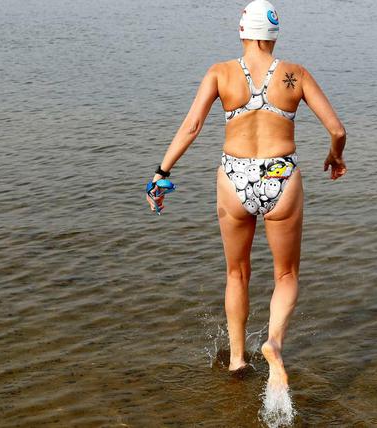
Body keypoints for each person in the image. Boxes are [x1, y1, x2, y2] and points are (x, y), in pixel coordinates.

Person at [145, 0, 347, 391]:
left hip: (233, 178)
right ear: (275, 34)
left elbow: (191, 126)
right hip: (281, 176)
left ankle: (237, 360)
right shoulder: (295, 74)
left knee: (237, 273)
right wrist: (334, 157)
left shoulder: (221, 73)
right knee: (286, 274)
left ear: (242, 31)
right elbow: (337, 129)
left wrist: (161, 172)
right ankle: (272, 342)